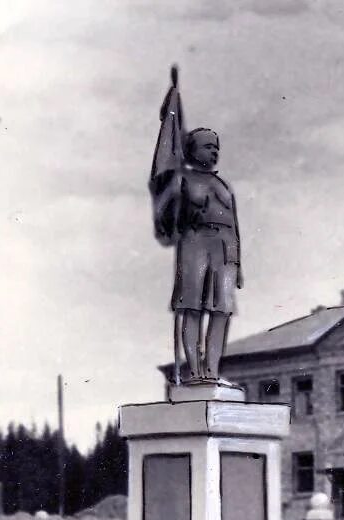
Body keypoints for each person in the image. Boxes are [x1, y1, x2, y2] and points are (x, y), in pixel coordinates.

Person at [150, 66, 242, 384]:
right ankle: (195, 370)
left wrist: (237, 263)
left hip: (224, 251)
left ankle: (213, 371)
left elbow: (234, 225)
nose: (213, 152)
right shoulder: (183, 178)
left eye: (216, 148)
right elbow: (167, 206)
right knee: (192, 308)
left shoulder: (223, 185)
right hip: (195, 244)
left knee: (221, 312)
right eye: (207, 147)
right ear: (191, 150)